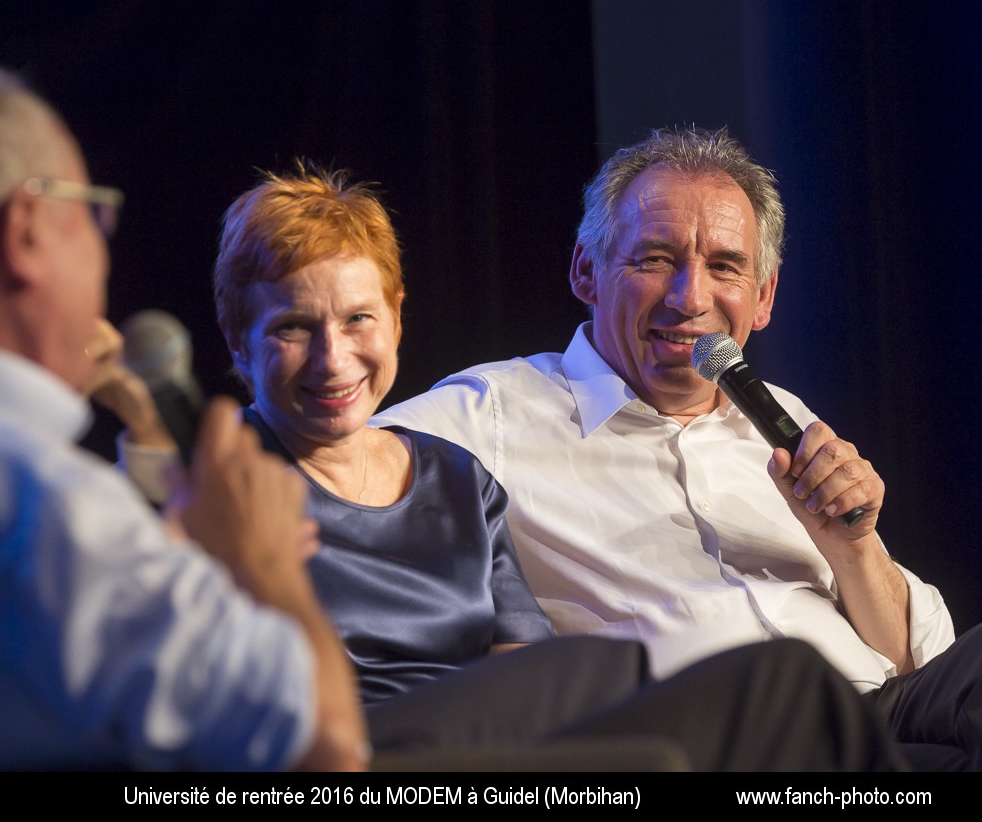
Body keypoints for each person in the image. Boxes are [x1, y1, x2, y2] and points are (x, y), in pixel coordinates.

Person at [116, 163, 907, 771]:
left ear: (396, 319)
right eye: (294, 326)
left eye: (359, 319)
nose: (333, 359)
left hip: (497, 749)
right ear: (237, 344)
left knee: (685, 693)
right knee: (698, 677)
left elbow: (533, 677)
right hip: (354, 749)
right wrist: (153, 442)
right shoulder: (229, 473)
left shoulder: (456, 478)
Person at [0, 60, 367, 772]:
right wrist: (265, 561)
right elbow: (327, 751)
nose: (103, 251)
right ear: (26, 231)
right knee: (545, 689)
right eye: (94, 214)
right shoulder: (42, 507)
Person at [375, 126, 982, 770]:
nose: (690, 298)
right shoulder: (495, 411)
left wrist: (853, 551)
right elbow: (325, 464)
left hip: (882, 708)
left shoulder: (782, 418)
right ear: (587, 271)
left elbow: (921, 659)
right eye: (655, 259)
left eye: (725, 266)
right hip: (731, 740)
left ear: (764, 297)